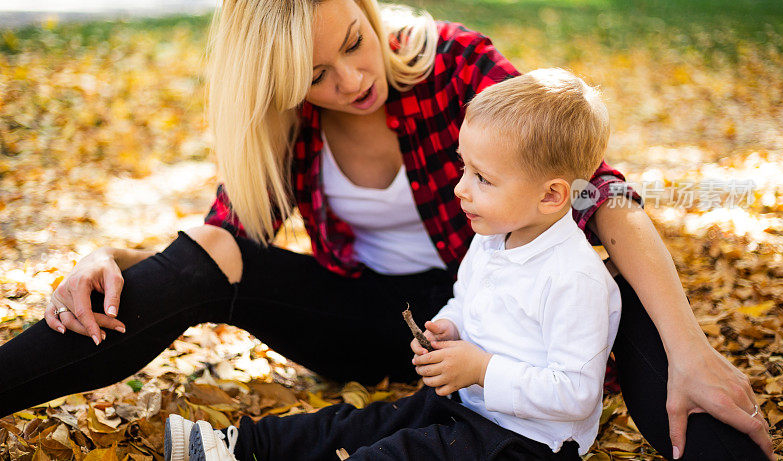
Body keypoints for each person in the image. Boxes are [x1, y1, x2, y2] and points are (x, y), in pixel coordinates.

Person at [0, 0, 772, 461]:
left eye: (354, 42)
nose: (352, 79)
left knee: (620, 304)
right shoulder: (288, 126)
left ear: (367, 8)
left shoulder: (456, 65)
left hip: (505, 315)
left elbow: (603, 190)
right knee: (212, 259)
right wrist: (112, 262)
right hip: (378, 325)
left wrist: (691, 343)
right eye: (318, 72)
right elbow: (215, 247)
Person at [164, 68, 623, 461]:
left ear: (551, 195)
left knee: (391, 455)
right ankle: (239, 445)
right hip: (469, 402)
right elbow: (467, 299)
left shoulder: (574, 278)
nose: (461, 188)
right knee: (360, 425)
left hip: (525, 441)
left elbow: (577, 393)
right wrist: (449, 327)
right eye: (464, 168)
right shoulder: (493, 238)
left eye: (483, 178)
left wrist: (482, 369)